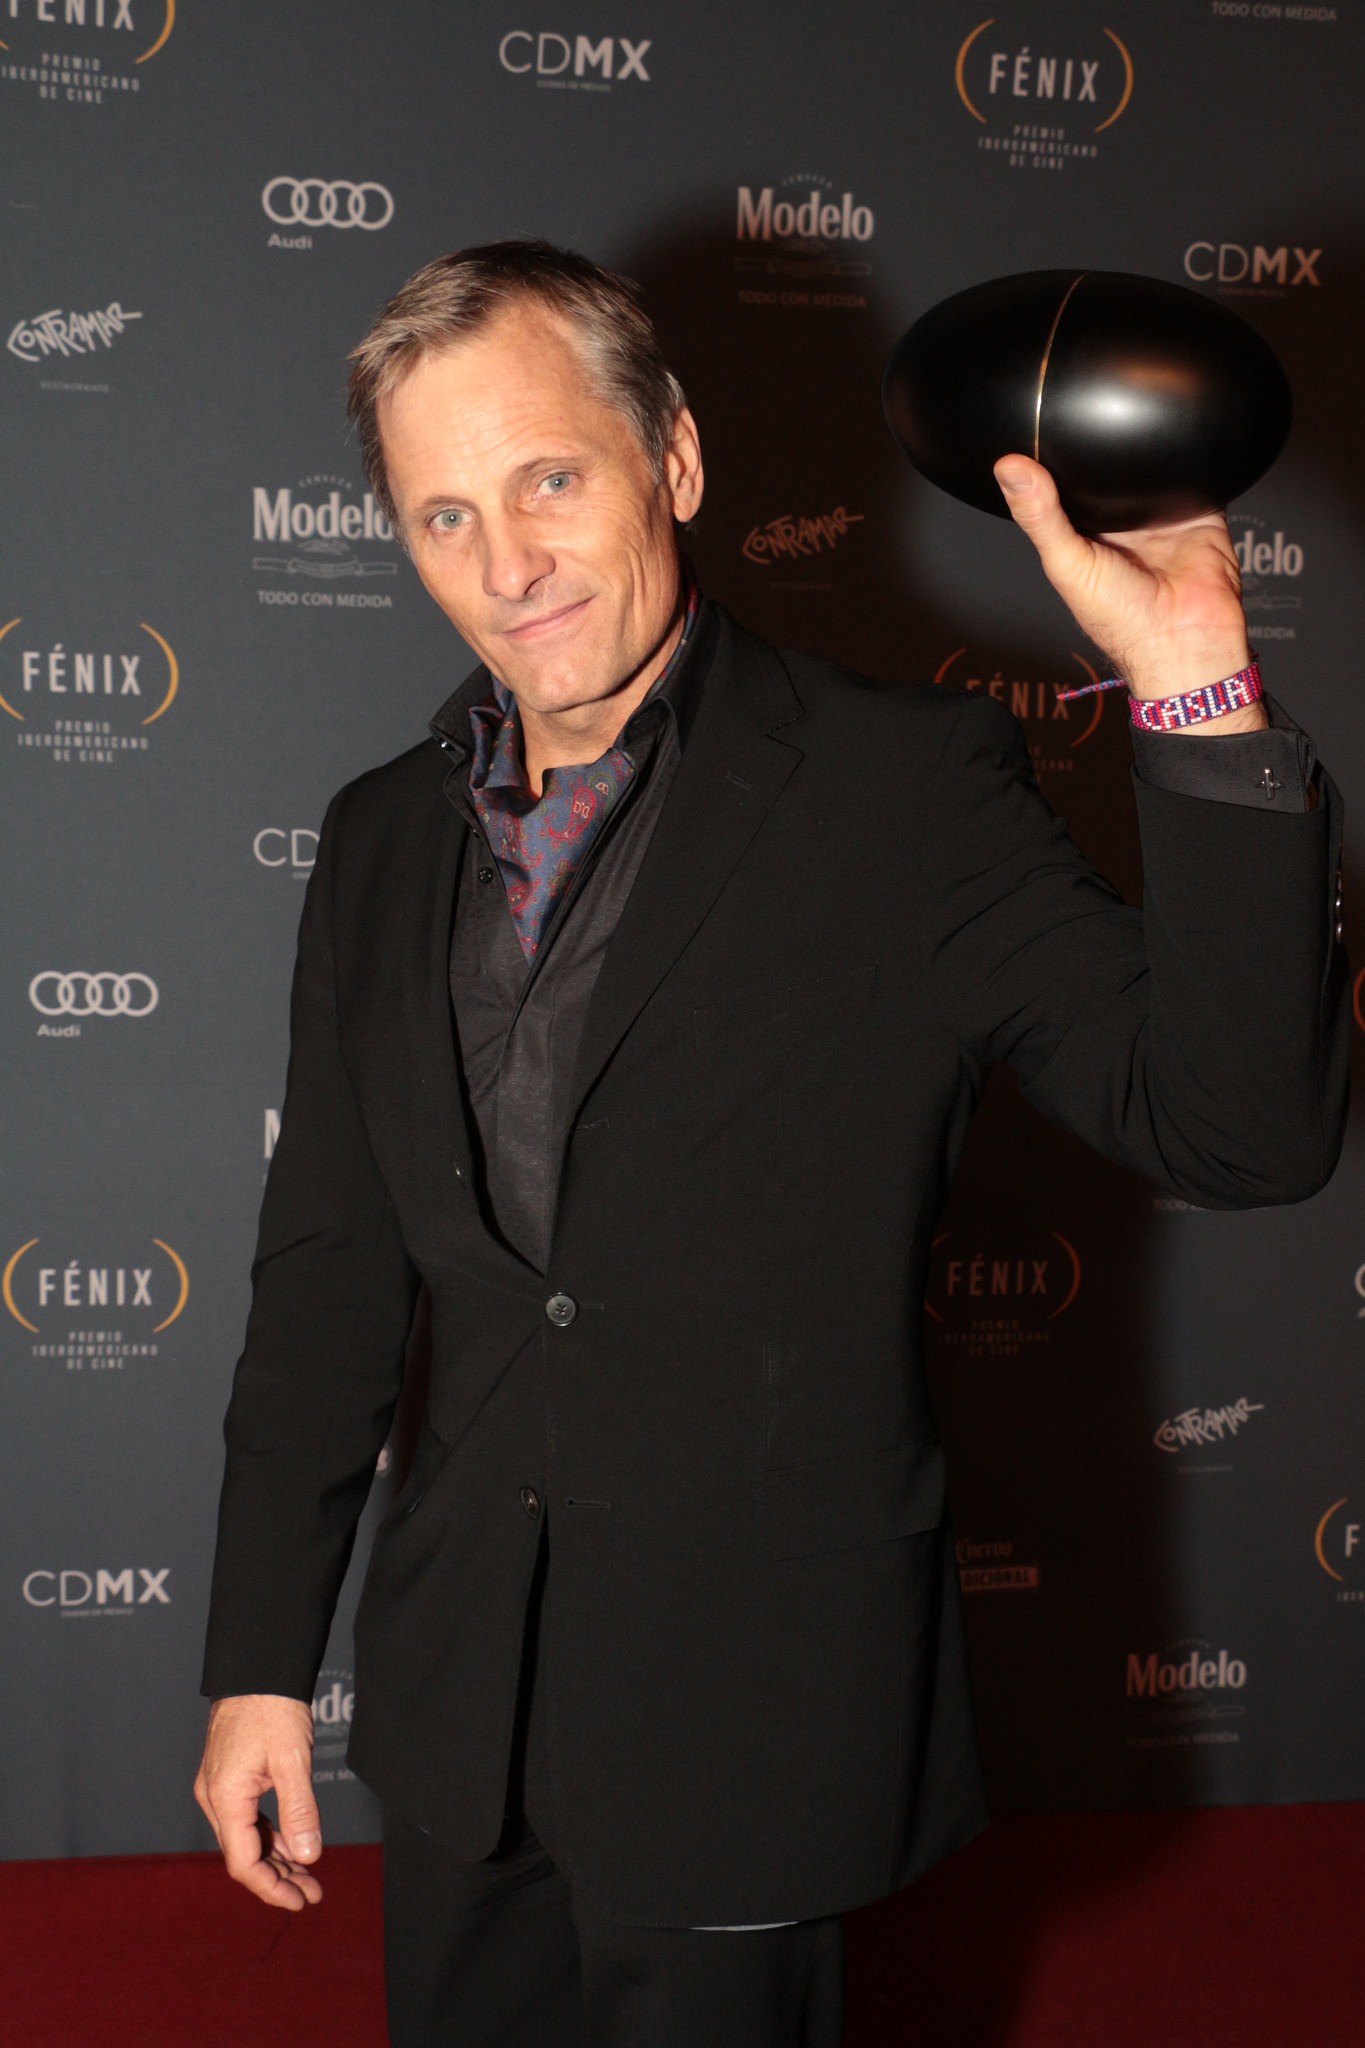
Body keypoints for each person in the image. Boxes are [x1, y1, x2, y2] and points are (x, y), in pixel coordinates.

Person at [195, 241, 1348, 2046]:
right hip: (458, 1716)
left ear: (673, 458)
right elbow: (327, 1277)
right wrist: (261, 1664)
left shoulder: (903, 788)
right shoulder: (377, 840)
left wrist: (1193, 686)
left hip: (747, 1712)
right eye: (442, 517)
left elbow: (1241, 1131)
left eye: (549, 480)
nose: (506, 566)